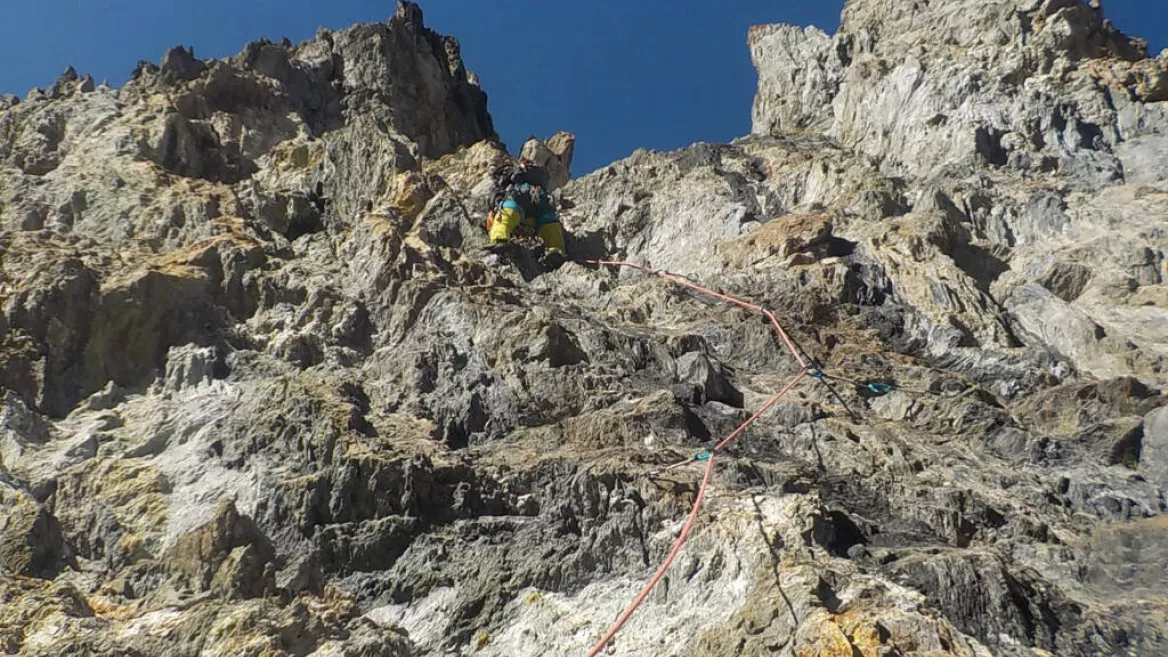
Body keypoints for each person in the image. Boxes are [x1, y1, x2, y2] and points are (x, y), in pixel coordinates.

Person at [486, 159, 566, 262]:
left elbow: (495, 197)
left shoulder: (511, 174)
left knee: (507, 213)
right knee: (549, 221)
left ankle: (499, 239)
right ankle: (555, 249)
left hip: (518, 201)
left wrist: (497, 204)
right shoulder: (537, 180)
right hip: (540, 203)